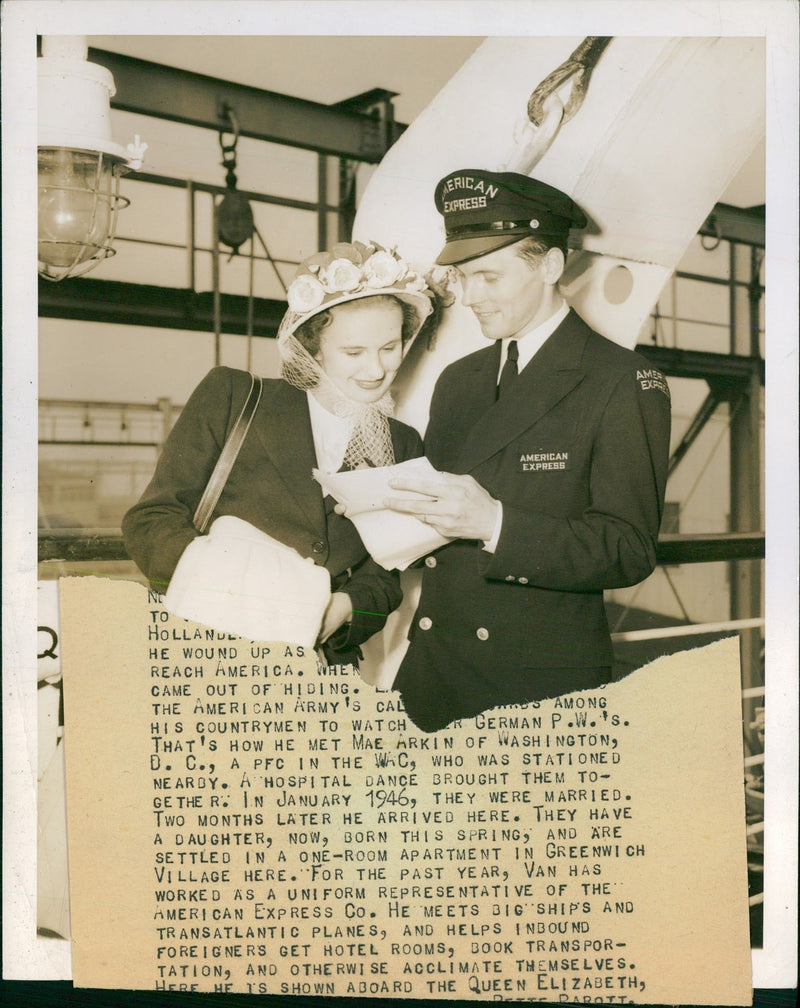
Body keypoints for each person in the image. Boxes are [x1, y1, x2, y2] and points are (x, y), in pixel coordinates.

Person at [385, 169, 672, 732]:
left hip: (532, 690)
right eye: (462, 278)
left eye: (488, 276)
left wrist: (495, 522)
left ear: (551, 267)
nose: (470, 298)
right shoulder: (458, 379)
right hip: (432, 673)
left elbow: (628, 547)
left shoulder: (623, 381)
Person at [123, 241, 434, 665]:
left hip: (325, 665)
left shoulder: (402, 441)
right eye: (353, 352)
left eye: (389, 347)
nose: (376, 369)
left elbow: (385, 574)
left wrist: (340, 611)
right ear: (313, 347)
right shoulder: (235, 397)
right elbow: (151, 520)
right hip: (215, 648)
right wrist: (241, 598)